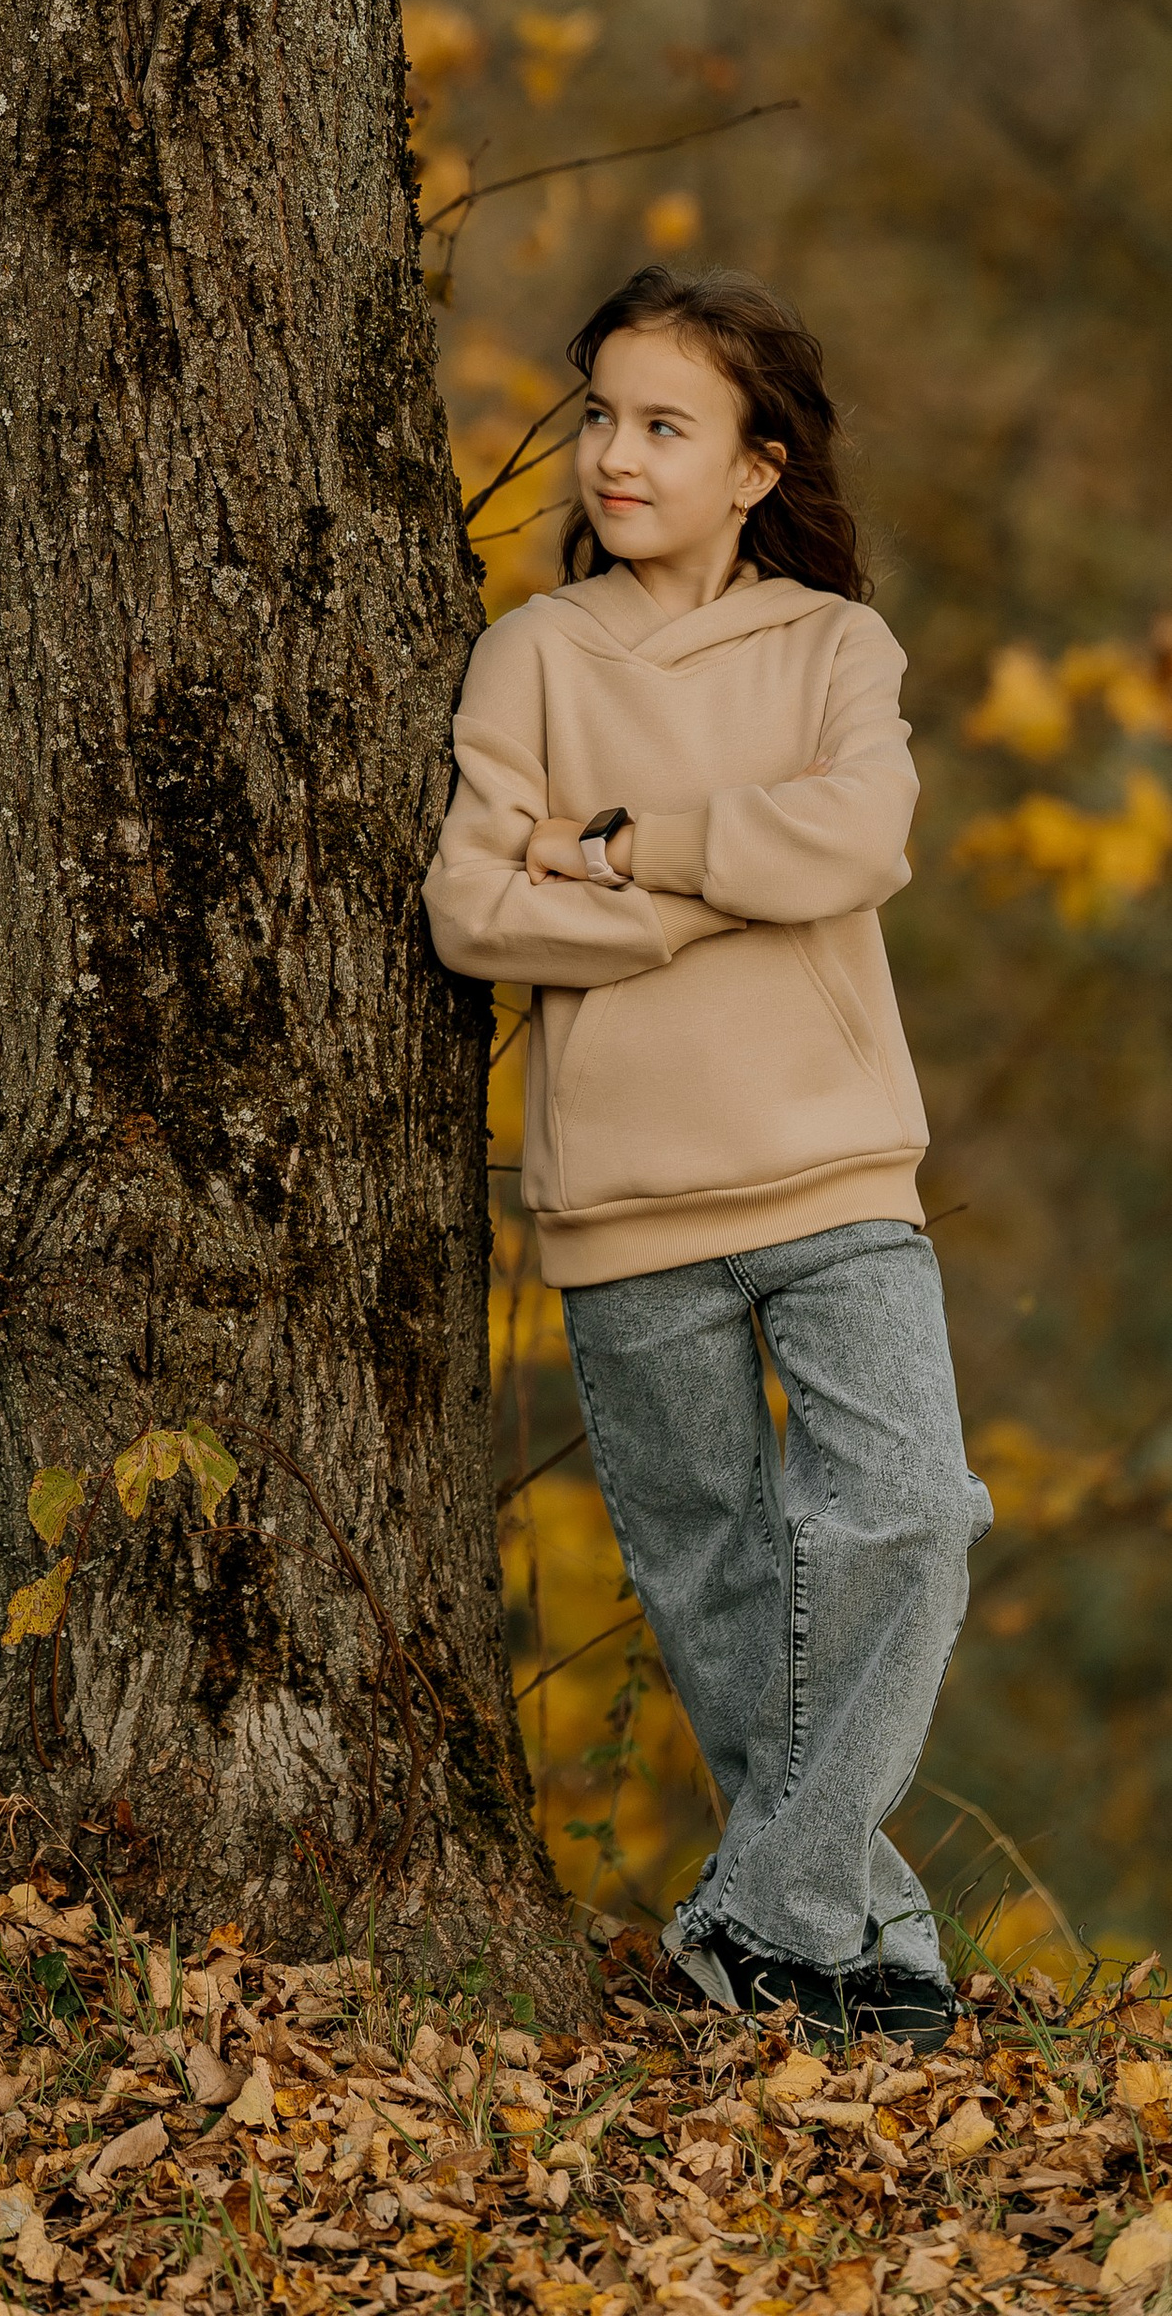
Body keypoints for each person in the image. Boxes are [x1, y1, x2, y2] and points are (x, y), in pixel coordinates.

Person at [425, 264, 988, 2049]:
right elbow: (467, 906)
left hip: (835, 1173)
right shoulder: (533, 653)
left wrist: (622, 849)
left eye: (664, 426)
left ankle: (762, 1918)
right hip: (621, 1201)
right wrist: (682, 913)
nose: (613, 455)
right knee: (720, 1585)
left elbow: (859, 840)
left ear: (757, 464)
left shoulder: (837, 646)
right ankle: (843, 1935)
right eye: (600, 415)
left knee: (909, 1515)